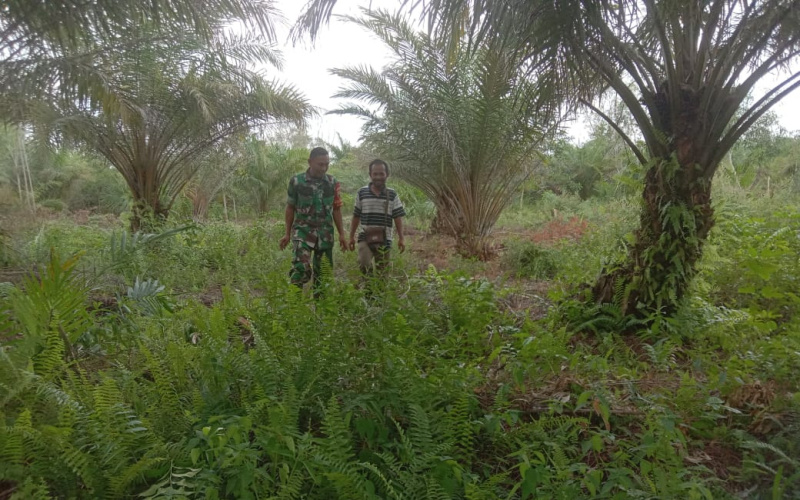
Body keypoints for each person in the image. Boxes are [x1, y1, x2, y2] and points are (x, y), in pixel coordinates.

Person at [279, 147, 347, 294]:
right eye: (320, 164)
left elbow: (336, 209)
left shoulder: (332, 182)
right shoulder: (297, 181)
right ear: (310, 162)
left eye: (326, 164)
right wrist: (287, 234)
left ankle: (320, 312)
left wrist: (342, 234)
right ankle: (294, 306)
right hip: (302, 232)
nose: (324, 168)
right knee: (300, 269)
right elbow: (290, 207)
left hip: (325, 233)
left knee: (323, 275)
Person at [348, 159, 406, 278]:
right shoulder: (362, 193)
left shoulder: (392, 194)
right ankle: (368, 291)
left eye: (381, 173)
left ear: (387, 175)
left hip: (385, 238)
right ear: (370, 175)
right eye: (375, 174)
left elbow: (397, 218)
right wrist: (351, 237)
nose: (378, 177)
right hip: (365, 236)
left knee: (383, 274)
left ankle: (379, 294)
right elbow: (356, 216)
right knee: (363, 263)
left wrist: (401, 238)